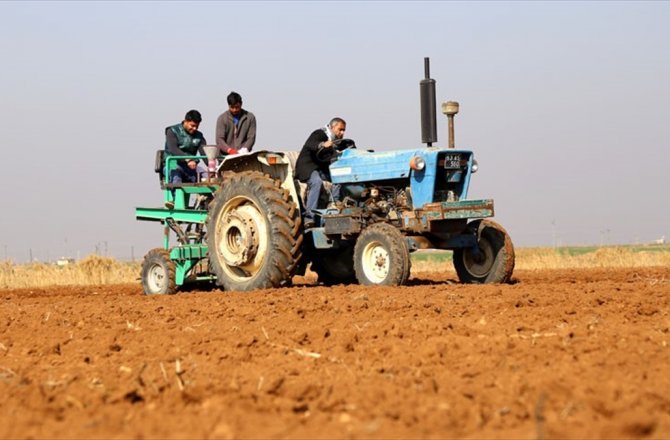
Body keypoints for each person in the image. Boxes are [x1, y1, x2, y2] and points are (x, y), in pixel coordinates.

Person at [295, 117, 346, 228]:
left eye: (344, 130)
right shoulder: (319, 134)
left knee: (340, 176)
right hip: (308, 167)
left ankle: (335, 205)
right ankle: (309, 217)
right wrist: (322, 144)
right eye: (340, 129)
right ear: (332, 127)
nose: (342, 133)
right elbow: (311, 144)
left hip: (321, 169)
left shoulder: (337, 142)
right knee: (316, 182)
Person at [164, 109, 207, 208]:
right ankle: (176, 201)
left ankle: (206, 201)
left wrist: (214, 167)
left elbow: (204, 153)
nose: (194, 128)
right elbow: (173, 149)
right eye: (192, 125)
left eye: (197, 126)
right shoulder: (172, 131)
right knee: (176, 175)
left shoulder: (199, 136)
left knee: (205, 176)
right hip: (173, 164)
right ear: (185, 121)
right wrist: (188, 159)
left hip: (190, 168)